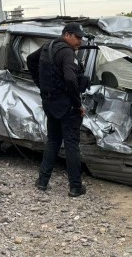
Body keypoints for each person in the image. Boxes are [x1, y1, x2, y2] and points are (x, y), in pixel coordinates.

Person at [27, 22, 89, 197]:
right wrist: (78, 104)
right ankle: (76, 187)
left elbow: (30, 60)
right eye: (77, 37)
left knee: (53, 141)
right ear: (67, 35)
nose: (80, 41)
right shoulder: (67, 52)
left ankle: (42, 181)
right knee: (71, 145)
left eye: (82, 38)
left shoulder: (49, 46)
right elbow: (70, 79)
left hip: (50, 103)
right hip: (67, 106)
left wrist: (42, 86)